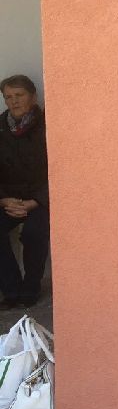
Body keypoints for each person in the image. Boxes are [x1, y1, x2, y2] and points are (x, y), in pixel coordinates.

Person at [0, 75, 50, 308]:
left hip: (41, 199)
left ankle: (30, 289)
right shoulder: (1, 126)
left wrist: (36, 201)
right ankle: (11, 291)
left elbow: (63, 168)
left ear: (33, 97)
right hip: (8, 199)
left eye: (19, 95)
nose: (14, 101)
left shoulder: (48, 125)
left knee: (34, 232)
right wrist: (3, 199)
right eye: (8, 97)